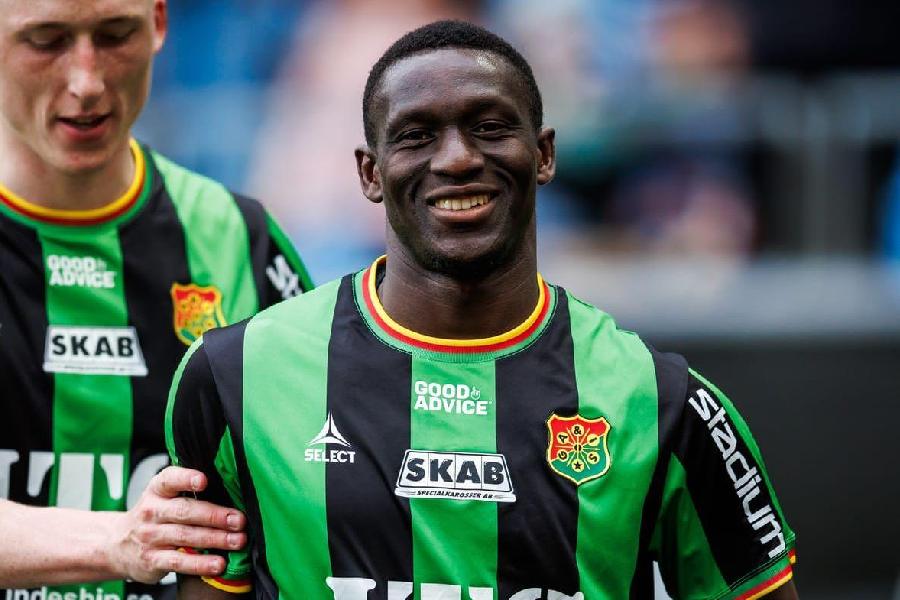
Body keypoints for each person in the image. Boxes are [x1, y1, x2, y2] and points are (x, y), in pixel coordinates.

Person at [167, 20, 797, 599]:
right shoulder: (235, 376)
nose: (458, 159)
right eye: (416, 136)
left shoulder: (664, 403)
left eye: (490, 127)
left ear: (544, 154)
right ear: (370, 172)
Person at [0, 0, 312, 596]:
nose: (87, 82)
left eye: (115, 35)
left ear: (160, 24)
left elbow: (315, 476)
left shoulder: (238, 238)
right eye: (46, 41)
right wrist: (115, 541)